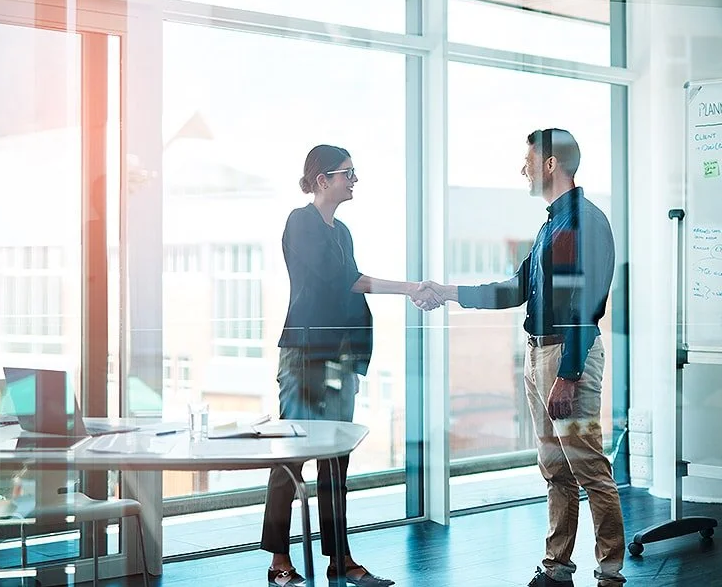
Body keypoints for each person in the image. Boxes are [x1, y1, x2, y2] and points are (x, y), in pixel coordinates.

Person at [419, 129, 626, 587]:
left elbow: (585, 305)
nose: (523, 168)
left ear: (551, 164)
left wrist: (568, 376)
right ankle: (557, 567)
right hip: (539, 356)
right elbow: (516, 288)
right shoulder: (551, 224)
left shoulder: (582, 223)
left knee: (588, 465)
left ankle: (610, 574)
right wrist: (447, 292)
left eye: (528, 159)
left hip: (567, 358)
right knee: (555, 467)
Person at [262, 144, 439, 587]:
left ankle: (339, 557)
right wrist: (411, 287)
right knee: (292, 458)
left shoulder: (342, 232)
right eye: (348, 173)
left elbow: (351, 284)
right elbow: (347, 281)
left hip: (341, 356)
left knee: (336, 461)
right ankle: (279, 561)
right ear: (322, 180)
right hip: (305, 355)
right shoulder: (300, 222)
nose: (354, 180)